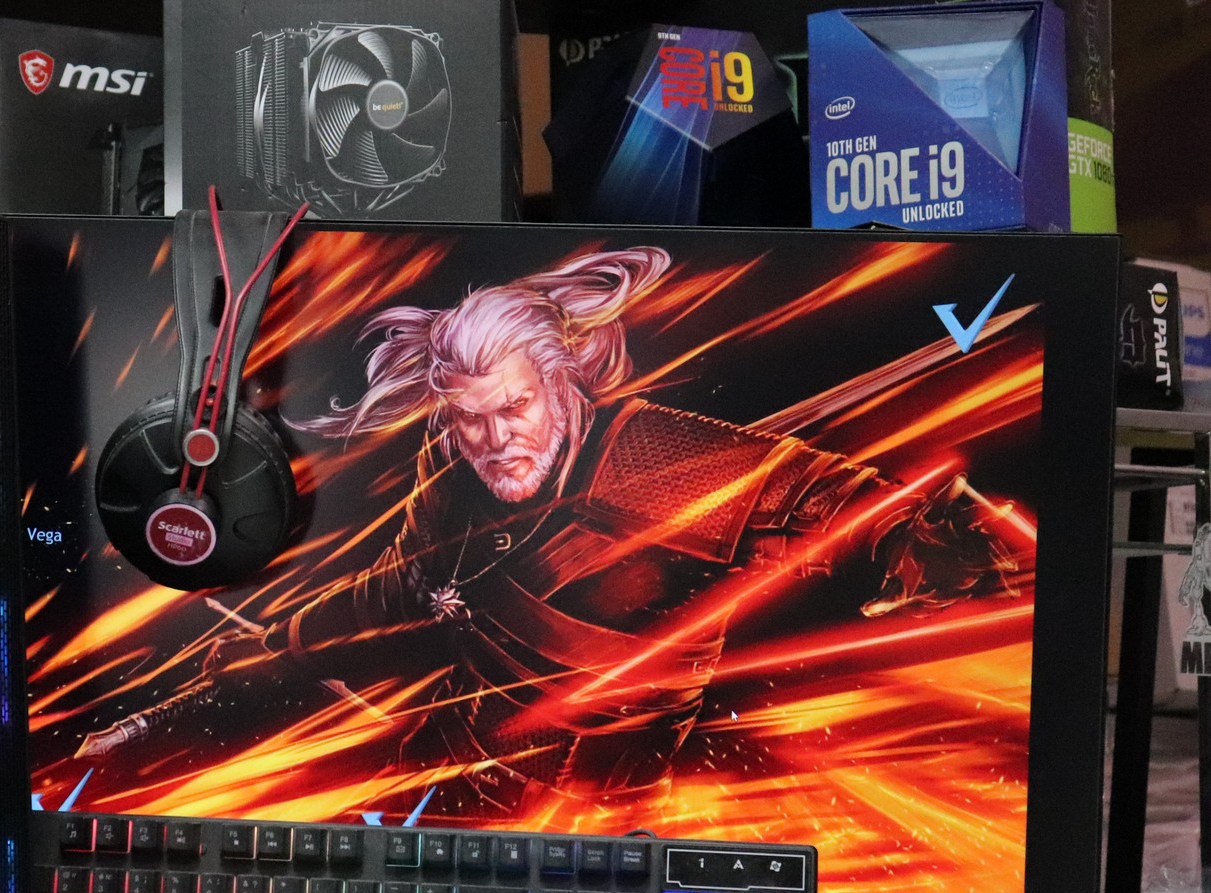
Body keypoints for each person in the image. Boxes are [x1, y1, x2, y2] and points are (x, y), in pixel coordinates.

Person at [78, 247, 1024, 818]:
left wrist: (949, 561)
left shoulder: (663, 457)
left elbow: (865, 513)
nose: (495, 440)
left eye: (514, 408)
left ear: (563, 382)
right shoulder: (451, 471)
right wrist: (222, 682)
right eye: (469, 419)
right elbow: (389, 598)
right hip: (450, 791)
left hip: (607, 828)